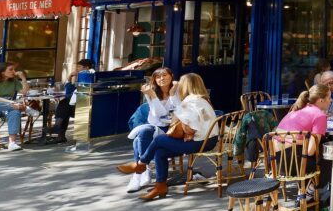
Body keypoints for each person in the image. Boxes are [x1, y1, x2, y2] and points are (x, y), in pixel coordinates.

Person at [116, 73, 217, 201]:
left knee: (159, 140)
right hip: (208, 139)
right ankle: (160, 186)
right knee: (160, 151)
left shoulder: (191, 101)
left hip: (201, 141)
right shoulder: (201, 99)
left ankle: (141, 164)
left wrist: (180, 118)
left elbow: (189, 127)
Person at [124, 67, 180, 193]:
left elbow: (178, 110)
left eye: (164, 75)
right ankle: (143, 170)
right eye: (158, 77)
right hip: (155, 128)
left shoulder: (177, 90)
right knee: (143, 133)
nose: (161, 79)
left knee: (138, 140)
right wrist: (153, 96)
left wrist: (172, 94)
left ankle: (139, 172)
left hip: (172, 129)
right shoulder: (151, 92)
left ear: (171, 75)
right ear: (154, 79)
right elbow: (159, 113)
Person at [0, 62, 30, 151]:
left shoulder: (14, 81)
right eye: (11, 69)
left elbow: (24, 92)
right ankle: (25, 108)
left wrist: (23, 78)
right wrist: (12, 103)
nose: (14, 71)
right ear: (2, 72)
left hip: (7, 108)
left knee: (15, 112)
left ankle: (12, 143)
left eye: (14, 69)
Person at [53, 58, 95, 143]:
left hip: (86, 106)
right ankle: (59, 132)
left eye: (79, 67)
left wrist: (69, 78)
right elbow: (70, 92)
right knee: (64, 105)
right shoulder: (84, 77)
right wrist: (70, 77)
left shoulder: (87, 76)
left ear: (86, 68)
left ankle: (58, 129)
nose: (77, 69)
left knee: (64, 104)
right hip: (80, 104)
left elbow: (69, 93)